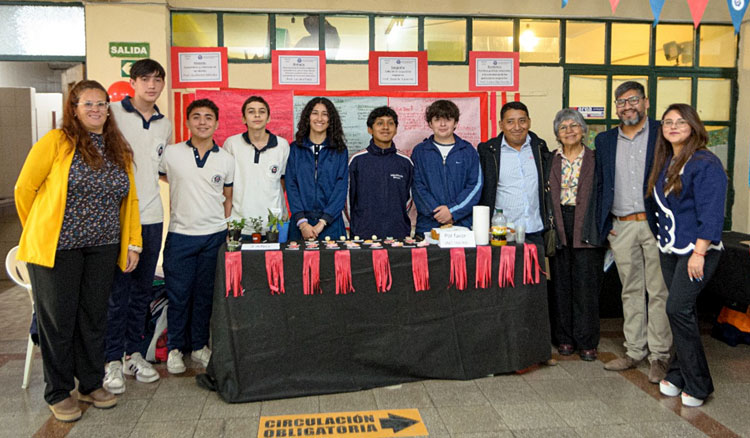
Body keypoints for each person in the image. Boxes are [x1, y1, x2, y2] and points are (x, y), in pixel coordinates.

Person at [14, 80, 141, 422]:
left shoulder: (118, 147)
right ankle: (58, 391)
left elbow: (129, 200)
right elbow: (24, 189)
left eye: (102, 104)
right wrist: (40, 230)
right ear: (74, 108)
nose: (96, 110)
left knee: (93, 318)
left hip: (102, 247)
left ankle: (90, 383)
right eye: (88, 104)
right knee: (58, 323)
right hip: (58, 249)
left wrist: (132, 242)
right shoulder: (57, 142)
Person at [647, 103, 727, 407]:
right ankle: (679, 374)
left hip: (697, 251)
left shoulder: (706, 163)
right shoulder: (668, 160)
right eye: (668, 122)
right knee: (684, 311)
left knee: (677, 309)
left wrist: (700, 251)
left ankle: (699, 383)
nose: (673, 126)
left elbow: (712, 211)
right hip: (671, 249)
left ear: (693, 126)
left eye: (681, 121)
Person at [595, 81, 671, 383]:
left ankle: (660, 356)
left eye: (633, 100)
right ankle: (634, 350)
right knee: (630, 290)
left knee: (658, 292)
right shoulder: (604, 140)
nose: (627, 107)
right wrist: (605, 225)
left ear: (646, 102)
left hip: (655, 225)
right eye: (621, 102)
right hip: (621, 225)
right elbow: (600, 184)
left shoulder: (662, 133)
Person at [104, 58, 171, 394]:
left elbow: (159, 167)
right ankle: (111, 360)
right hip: (117, 219)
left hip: (152, 217)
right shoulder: (112, 113)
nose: (152, 85)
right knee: (117, 292)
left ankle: (134, 354)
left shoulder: (165, 124)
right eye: (145, 79)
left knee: (142, 291)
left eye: (158, 79)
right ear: (132, 82)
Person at [158, 99, 234, 374]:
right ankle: (176, 349)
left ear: (216, 123)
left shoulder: (225, 159)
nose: (203, 122)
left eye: (208, 118)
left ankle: (200, 345)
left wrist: (225, 227)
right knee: (179, 296)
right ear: (188, 122)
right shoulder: (171, 154)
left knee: (204, 296)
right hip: (180, 235)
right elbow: (165, 178)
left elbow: (227, 197)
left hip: (214, 236)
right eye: (197, 117)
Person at [546, 109, 604, 361]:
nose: (569, 130)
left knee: (586, 285)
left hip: (587, 223)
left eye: (574, 126)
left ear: (583, 130)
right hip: (558, 223)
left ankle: (587, 340)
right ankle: (564, 338)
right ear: (557, 134)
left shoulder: (596, 158)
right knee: (560, 284)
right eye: (563, 127)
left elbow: (604, 193)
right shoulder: (550, 159)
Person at [477, 101, 550, 245]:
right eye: (510, 122)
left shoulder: (540, 148)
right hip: (502, 232)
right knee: (503, 269)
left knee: (535, 268)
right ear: (501, 125)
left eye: (522, 121)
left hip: (536, 230)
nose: (517, 127)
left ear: (529, 122)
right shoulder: (488, 151)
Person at [412, 99, 482, 235]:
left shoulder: (468, 151)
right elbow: (417, 186)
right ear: (430, 123)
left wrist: (452, 211)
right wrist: (438, 213)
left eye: (448, 119)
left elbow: (475, 186)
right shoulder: (420, 152)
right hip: (428, 226)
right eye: (437, 119)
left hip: (461, 226)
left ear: (455, 123)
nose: (443, 124)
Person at [286, 97, 348, 240]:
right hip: (301, 224)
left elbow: (341, 188)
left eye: (325, 114)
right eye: (315, 113)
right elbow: (291, 185)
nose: (319, 118)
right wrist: (302, 223)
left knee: (334, 263)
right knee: (298, 263)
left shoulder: (339, 150)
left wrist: (322, 223)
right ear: (307, 117)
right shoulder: (295, 149)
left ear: (330, 119)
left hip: (330, 224)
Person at [223, 96, 290, 230]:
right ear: (243, 118)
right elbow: (226, 190)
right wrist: (227, 223)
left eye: (262, 111)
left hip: (274, 225)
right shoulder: (231, 144)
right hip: (240, 224)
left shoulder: (282, 145)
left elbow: (282, 183)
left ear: (269, 118)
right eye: (251, 111)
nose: (257, 115)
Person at [348, 106, 413, 239]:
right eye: (379, 123)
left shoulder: (405, 162)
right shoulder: (357, 161)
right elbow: (347, 200)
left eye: (390, 123)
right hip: (363, 234)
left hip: (398, 234)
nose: (385, 127)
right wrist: (357, 226)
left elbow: (410, 199)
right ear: (370, 129)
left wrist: (396, 219)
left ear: (395, 129)